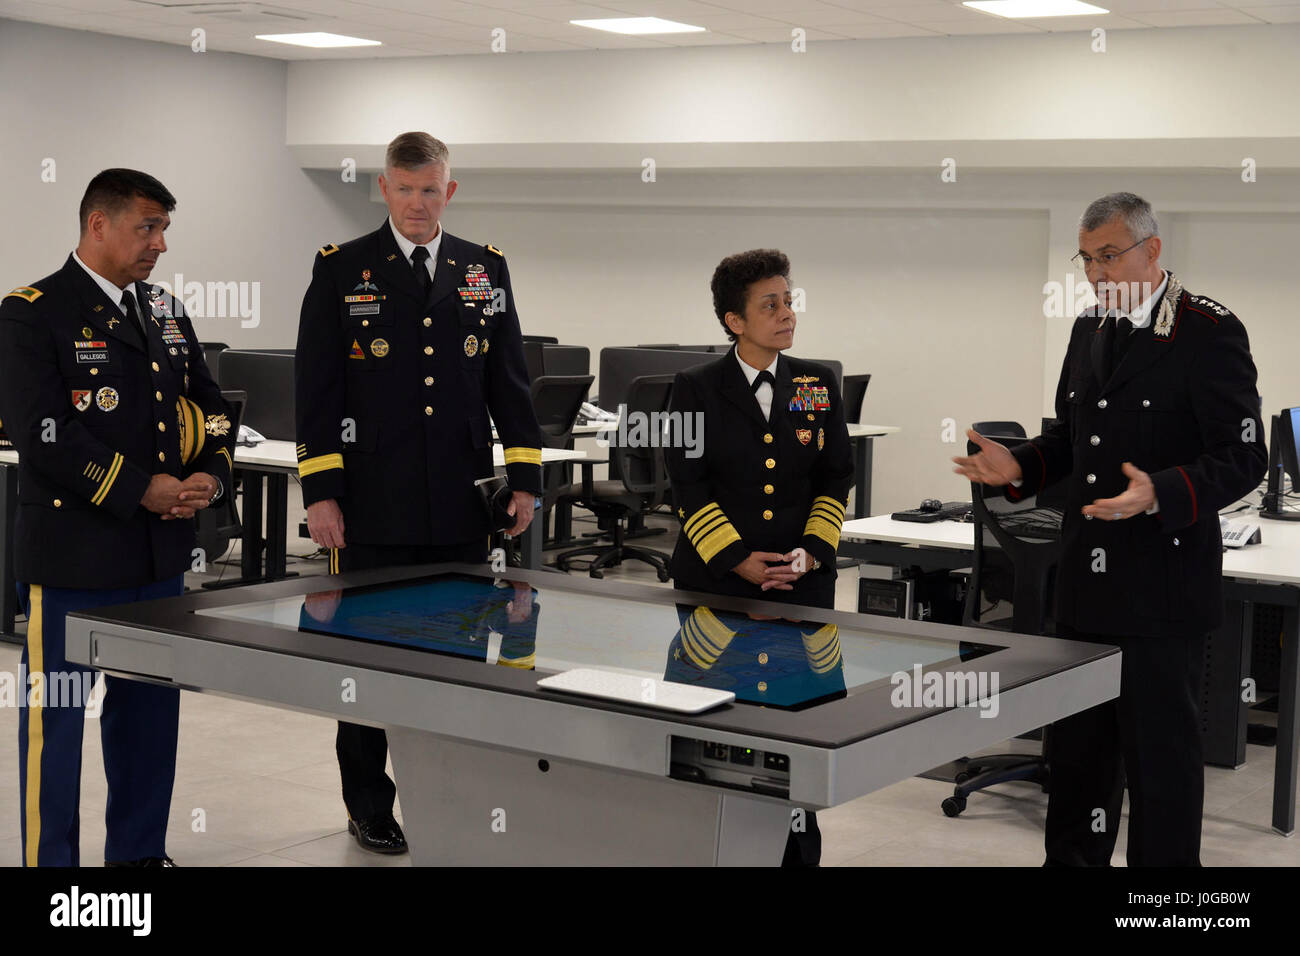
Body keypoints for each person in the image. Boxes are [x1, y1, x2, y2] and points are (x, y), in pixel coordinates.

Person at [953, 192, 1267, 867]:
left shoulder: (1208, 332)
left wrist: (1166, 491)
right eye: (1088, 259)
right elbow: (1069, 442)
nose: (1096, 274)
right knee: (1078, 764)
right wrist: (1018, 467)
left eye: (1109, 256)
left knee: (1161, 772)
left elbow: (1245, 455)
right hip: (1085, 592)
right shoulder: (1091, 327)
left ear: (1151, 251)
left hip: (1163, 592)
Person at [294, 131, 543, 854]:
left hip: (462, 502)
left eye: (429, 189)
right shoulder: (342, 269)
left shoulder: (482, 267)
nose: (415, 203)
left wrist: (524, 479)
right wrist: (321, 493)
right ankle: (370, 803)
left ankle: (448, 791)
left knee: (459, 656)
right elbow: (317, 392)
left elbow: (509, 380)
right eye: (403, 190)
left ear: (449, 191)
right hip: (371, 504)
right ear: (384, 188)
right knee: (366, 661)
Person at [0, 168, 234, 866]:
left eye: (164, 228)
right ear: (98, 225)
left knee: (147, 725)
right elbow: (43, 434)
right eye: (147, 227)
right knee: (57, 729)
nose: (159, 243)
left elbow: (213, 409)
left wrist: (210, 479)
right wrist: (141, 489)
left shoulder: (162, 309)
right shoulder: (31, 311)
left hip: (159, 562)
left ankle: (136, 860)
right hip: (74, 560)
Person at [663, 249, 853, 865]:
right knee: (713, 733)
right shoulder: (693, 388)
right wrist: (738, 559)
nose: (786, 312)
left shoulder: (816, 382)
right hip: (718, 586)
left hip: (801, 588)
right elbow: (686, 489)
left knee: (797, 736)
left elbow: (835, 478)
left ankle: (797, 856)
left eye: (789, 299)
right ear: (733, 320)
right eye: (769, 303)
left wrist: (813, 552)